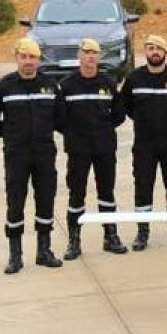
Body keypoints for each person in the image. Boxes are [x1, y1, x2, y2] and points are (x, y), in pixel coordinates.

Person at [0, 38, 63, 274]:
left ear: (39, 60)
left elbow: (61, 118)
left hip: (44, 153)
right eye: (23, 57)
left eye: (32, 57)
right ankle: (15, 256)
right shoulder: (5, 86)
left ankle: (44, 251)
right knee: (15, 203)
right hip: (17, 155)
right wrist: (10, 136)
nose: (28, 62)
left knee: (46, 199)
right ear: (16, 58)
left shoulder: (50, 86)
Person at [55, 38, 128, 258]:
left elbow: (118, 115)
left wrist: (102, 131)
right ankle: (74, 241)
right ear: (79, 55)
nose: (90, 57)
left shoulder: (107, 82)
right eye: (86, 52)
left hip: (104, 148)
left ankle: (110, 236)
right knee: (76, 194)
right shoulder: (67, 85)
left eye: (94, 53)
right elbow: (58, 119)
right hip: (78, 150)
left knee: (107, 193)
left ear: (99, 56)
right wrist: (74, 134)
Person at [119, 34, 167, 250]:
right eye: (150, 48)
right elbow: (128, 108)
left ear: (166, 53)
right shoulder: (134, 79)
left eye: (159, 48)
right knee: (143, 187)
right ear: (146, 52)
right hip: (144, 144)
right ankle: (142, 233)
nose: (154, 52)